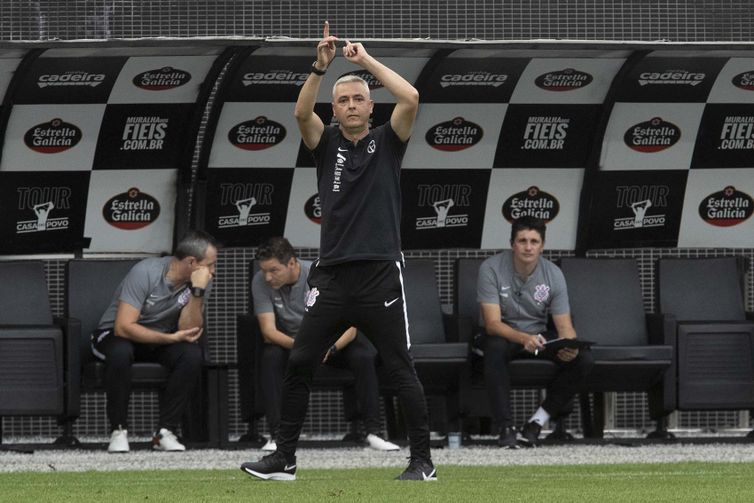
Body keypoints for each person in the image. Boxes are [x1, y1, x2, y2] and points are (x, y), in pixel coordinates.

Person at [241, 21, 435, 481]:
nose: (351, 105)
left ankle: (422, 462)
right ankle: (284, 459)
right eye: (343, 100)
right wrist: (320, 68)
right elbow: (300, 114)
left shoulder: (389, 140)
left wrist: (363, 62)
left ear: (370, 107)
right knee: (301, 361)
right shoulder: (324, 142)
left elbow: (411, 98)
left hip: (380, 276)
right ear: (336, 108)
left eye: (358, 99)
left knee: (399, 367)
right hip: (331, 276)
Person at [251, 236, 400, 452]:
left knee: (363, 356)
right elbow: (268, 332)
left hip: (332, 343)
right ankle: (277, 435)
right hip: (294, 345)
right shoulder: (260, 281)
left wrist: (328, 348)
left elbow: (351, 326)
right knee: (270, 356)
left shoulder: (321, 274)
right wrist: (306, 349)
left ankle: (374, 433)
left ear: (292, 262)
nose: (268, 277)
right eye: (264, 270)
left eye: (274, 270)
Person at [91, 230, 218, 453]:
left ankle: (164, 432)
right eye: (211, 264)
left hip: (160, 337)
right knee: (120, 352)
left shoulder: (202, 282)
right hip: (115, 334)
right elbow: (123, 326)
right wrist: (170, 338)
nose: (214, 271)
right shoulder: (146, 271)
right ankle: (118, 430)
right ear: (192, 262)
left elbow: (188, 330)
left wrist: (198, 292)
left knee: (191, 354)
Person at [477, 216, 594, 448]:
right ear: (512, 244)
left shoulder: (553, 274)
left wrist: (570, 346)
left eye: (534, 241)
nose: (528, 247)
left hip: (538, 335)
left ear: (542, 245)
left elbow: (564, 326)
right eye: (522, 241)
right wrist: (524, 338)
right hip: (504, 335)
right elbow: (492, 323)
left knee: (584, 359)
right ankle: (505, 427)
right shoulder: (490, 268)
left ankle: (536, 423)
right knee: (494, 346)